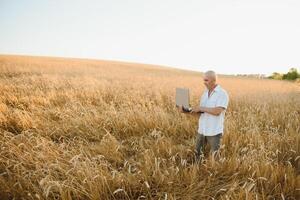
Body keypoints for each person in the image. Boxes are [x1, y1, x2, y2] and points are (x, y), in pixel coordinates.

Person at [178, 70, 229, 161]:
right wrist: (186, 111)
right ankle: (196, 170)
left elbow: (217, 111)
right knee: (197, 154)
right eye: (203, 80)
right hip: (202, 130)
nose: (204, 83)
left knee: (215, 157)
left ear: (214, 80)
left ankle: (216, 173)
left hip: (214, 131)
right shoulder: (205, 94)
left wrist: (201, 108)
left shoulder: (222, 93)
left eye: (206, 80)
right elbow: (201, 114)